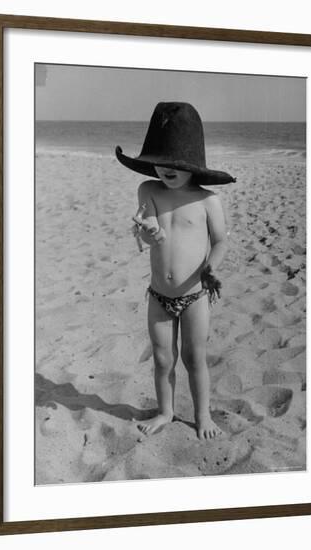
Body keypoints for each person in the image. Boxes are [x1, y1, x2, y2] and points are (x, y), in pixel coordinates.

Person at [115, 102, 235, 440]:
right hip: (158, 295)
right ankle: (166, 412)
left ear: (193, 165)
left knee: (195, 358)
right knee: (162, 358)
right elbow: (148, 229)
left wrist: (212, 267)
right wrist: (148, 232)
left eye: (175, 163)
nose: (166, 169)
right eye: (160, 161)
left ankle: (203, 415)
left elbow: (221, 240)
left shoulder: (208, 200)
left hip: (195, 294)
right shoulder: (148, 190)